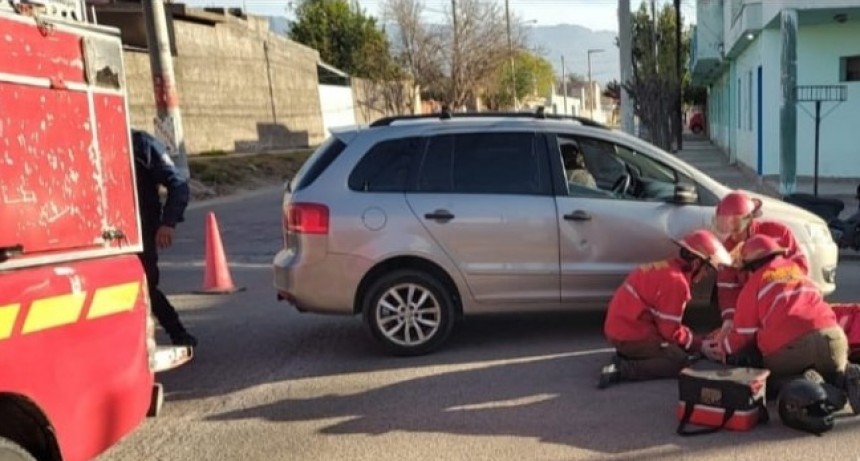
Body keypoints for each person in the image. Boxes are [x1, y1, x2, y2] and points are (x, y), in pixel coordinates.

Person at [702, 234, 860, 413]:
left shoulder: (755, 283)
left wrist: (720, 349)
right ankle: (846, 377)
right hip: (835, 340)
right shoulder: (798, 273)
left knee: (765, 380)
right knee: (831, 367)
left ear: (751, 266)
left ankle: (809, 384)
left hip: (792, 348)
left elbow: (741, 336)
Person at [598, 229, 732, 389]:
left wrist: (696, 341)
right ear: (696, 263)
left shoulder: (667, 268)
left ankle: (631, 355)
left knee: (680, 349)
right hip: (630, 335)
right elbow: (670, 332)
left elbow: (667, 324)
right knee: (678, 361)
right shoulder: (677, 283)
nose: (705, 275)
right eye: (707, 269)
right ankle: (624, 369)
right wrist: (699, 345)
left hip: (623, 329)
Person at [711, 190, 808, 341]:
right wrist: (729, 319)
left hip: (784, 302)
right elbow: (727, 289)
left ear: (749, 220)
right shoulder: (728, 250)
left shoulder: (779, 233)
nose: (733, 235)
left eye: (736, 227)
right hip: (752, 309)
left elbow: (800, 269)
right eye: (726, 226)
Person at [131, 129, 197, 347]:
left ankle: (177, 332)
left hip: (140, 231)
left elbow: (177, 184)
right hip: (104, 233)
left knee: (146, 286)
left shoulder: (139, 143)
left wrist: (168, 223)